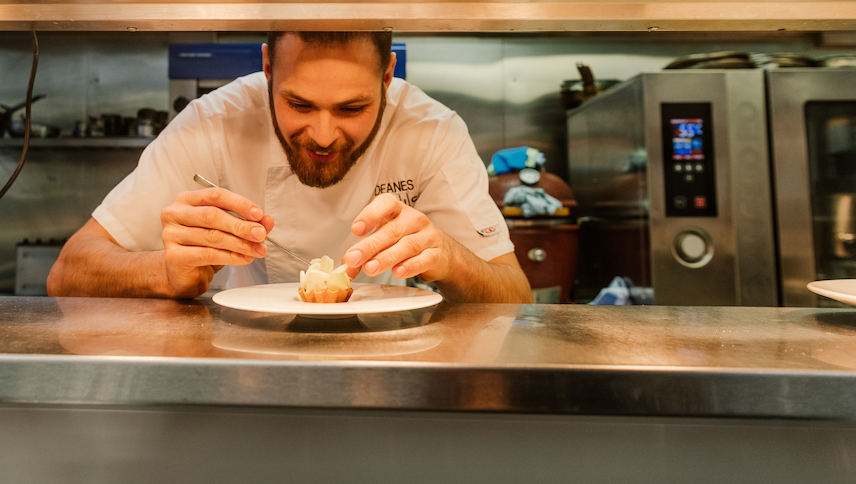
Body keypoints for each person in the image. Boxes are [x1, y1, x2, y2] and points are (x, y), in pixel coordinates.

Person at [47, 31, 531, 303]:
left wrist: (452, 258)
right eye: (298, 104)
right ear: (267, 69)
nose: (322, 136)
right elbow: (67, 272)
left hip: (385, 354)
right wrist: (163, 272)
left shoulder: (432, 132)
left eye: (351, 109)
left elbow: (516, 295)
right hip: (240, 358)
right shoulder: (212, 123)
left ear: (388, 77)